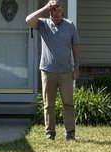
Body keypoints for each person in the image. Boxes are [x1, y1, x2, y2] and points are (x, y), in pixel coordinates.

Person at [25, 0, 80, 141]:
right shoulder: (43, 24)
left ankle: (70, 133)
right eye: (54, 8)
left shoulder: (70, 25)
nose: (57, 11)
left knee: (68, 103)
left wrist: (77, 68)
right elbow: (28, 20)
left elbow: (75, 47)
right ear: (50, 11)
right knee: (49, 105)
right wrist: (45, 7)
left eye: (59, 8)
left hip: (66, 72)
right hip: (48, 71)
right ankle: (50, 134)